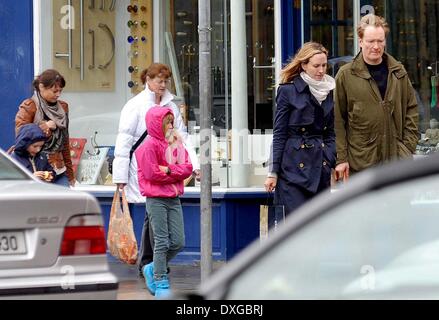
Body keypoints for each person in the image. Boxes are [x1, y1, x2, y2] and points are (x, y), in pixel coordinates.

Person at [112, 63, 200, 278]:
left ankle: (150, 263)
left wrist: (195, 165)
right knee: (152, 214)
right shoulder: (135, 105)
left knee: (152, 217)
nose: (163, 85)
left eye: (165, 80)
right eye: (159, 80)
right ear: (147, 80)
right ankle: (152, 264)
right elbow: (124, 141)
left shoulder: (171, 104)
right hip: (144, 165)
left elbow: (181, 135)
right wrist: (120, 177)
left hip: (168, 164)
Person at [334, 14, 419, 182]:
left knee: (398, 208)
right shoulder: (346, 75)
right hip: (362, 165)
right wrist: (341, 158)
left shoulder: (398, 72)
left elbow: (412, 110)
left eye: (380, 41)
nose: (376, 46)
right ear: (360, 41)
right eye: (370, 41)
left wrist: (407, 147)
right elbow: (337, 120)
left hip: (396, 164)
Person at [264, 42, 336, 215]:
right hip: (292, 172)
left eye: (324, 65)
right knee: (297, 229)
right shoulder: (288, 91)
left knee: (318, 227)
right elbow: (280, 133)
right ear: (304, 65)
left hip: (320, 168)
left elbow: (331, 132)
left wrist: (329, 158)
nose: (321, 70)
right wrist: (273, 172)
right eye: (316, 66)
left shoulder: (330, 90)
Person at [135, 106, 193, 298]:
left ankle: (152, 267)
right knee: (161, 241)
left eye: (171, 121)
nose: (170, 125)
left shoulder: (175, 144)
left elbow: (187, 168)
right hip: (155, 199)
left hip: (174, 197)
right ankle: (160, 280)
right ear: (156, 124)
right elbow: (152, 175)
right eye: (166, 122)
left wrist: (168, 170)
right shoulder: (147, 147)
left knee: (178, 242)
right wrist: (174, 173)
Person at [15, 69, 75, 187]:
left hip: (58, 168)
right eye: (54, 91)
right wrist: (45, 126)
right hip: (37, 167)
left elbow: (65, 141)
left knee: (63, 202)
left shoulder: (63, 107)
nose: (58, 94)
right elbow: (21, 135)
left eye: (60, 91)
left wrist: (70, 173)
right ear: (41, 87)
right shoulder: (29, 106)